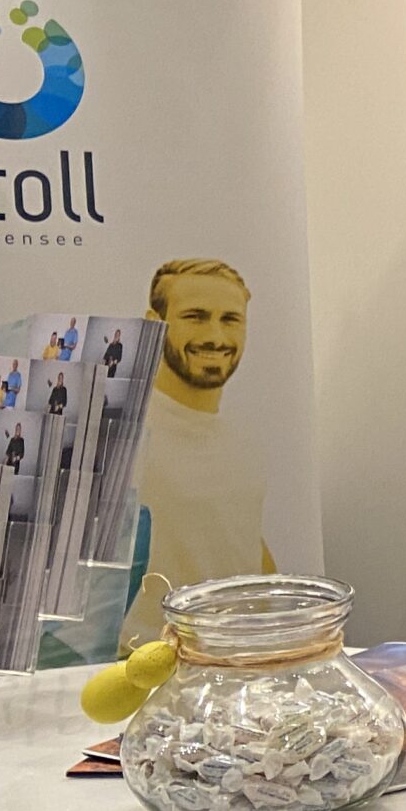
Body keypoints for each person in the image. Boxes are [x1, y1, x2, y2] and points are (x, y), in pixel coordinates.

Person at [128, 260, 278, 643]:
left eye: (230, 319)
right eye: (195, 317)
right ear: (154, 324)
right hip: (147, 665)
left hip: (242, 659)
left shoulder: (244, 440)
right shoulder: (121, 437)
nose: (215, 337)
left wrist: (283, 633)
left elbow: (245, 545)